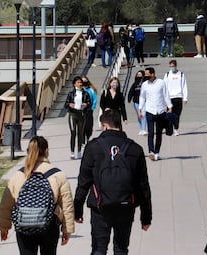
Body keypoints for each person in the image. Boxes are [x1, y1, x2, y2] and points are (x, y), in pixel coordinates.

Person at [74, 109, 152, 255]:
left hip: (100, 207)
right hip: (126, 207)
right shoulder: (135, 149)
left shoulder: (93, 147)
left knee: (98, 248)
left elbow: (84, 182)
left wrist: (77, 210)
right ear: (119, 125)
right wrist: (146, 217)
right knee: (121, 249)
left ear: (104, 126)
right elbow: (143, 187)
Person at [0, 136, 75, 255]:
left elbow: (5, 204)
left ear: (28, 152)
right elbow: (67, 205)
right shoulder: (58, 175)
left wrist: (4, 227)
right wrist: (67, 229)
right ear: (47, 151)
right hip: (49, 225)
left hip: (24, 224)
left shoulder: (19, 175)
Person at [138, 67, 173, 161]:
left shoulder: (161, 82)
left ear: (153, 74)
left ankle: (157, 152)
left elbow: (166, 95)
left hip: (160, 110)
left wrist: (170, 106)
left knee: (158, 133)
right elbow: (142, 97)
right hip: (149, 110)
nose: (146, 77)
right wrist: (140, 108)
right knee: (150, 132)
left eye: (147, 75)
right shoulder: (145, 85)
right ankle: (151, 151)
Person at [64, 76, 91, 160]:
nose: (80, 84)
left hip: (81, 114)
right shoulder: (71, 94)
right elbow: (66, 104)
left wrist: (86, 104)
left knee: (80, 133)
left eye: (80, 82)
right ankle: (72, 152)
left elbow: (89, 103)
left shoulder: (85, 93)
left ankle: (79, 151)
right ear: (74, 84)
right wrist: (70, 105)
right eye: (78, 82)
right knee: (73, 133)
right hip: (73, 114)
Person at [163, 59, 188, 136]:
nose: (171, 68)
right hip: (170, 97)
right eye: (170, 66)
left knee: (177, 115)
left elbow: (184, 86)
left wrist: (185, 98)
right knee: (169, 114)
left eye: (173, 66)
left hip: (178, 97)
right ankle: (169, 128)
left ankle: (176, 129)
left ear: (176, 66)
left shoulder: (181, 74)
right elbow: (164, 86)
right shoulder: (167, 74)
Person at [128, 70, 147, 136]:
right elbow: (131, 91)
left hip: (144, 102)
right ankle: (141, 129)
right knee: (139, 115)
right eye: (137, 74)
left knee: (143, 115)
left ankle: (144, 129)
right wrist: (129, 98)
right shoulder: (135, 83)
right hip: (136, 102)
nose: (138, 75)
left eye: (140, 74)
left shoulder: (145, 83)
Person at [82, 75, 98, 145]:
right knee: (82, 126)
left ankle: (88, 137)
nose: (84, 82)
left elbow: (94, 99)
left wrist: (92, 107)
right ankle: (82, 141)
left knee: (88, 125)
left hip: (89, 110)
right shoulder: (79, 90)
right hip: (80, 110)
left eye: (85, 80)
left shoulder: (91, 90)